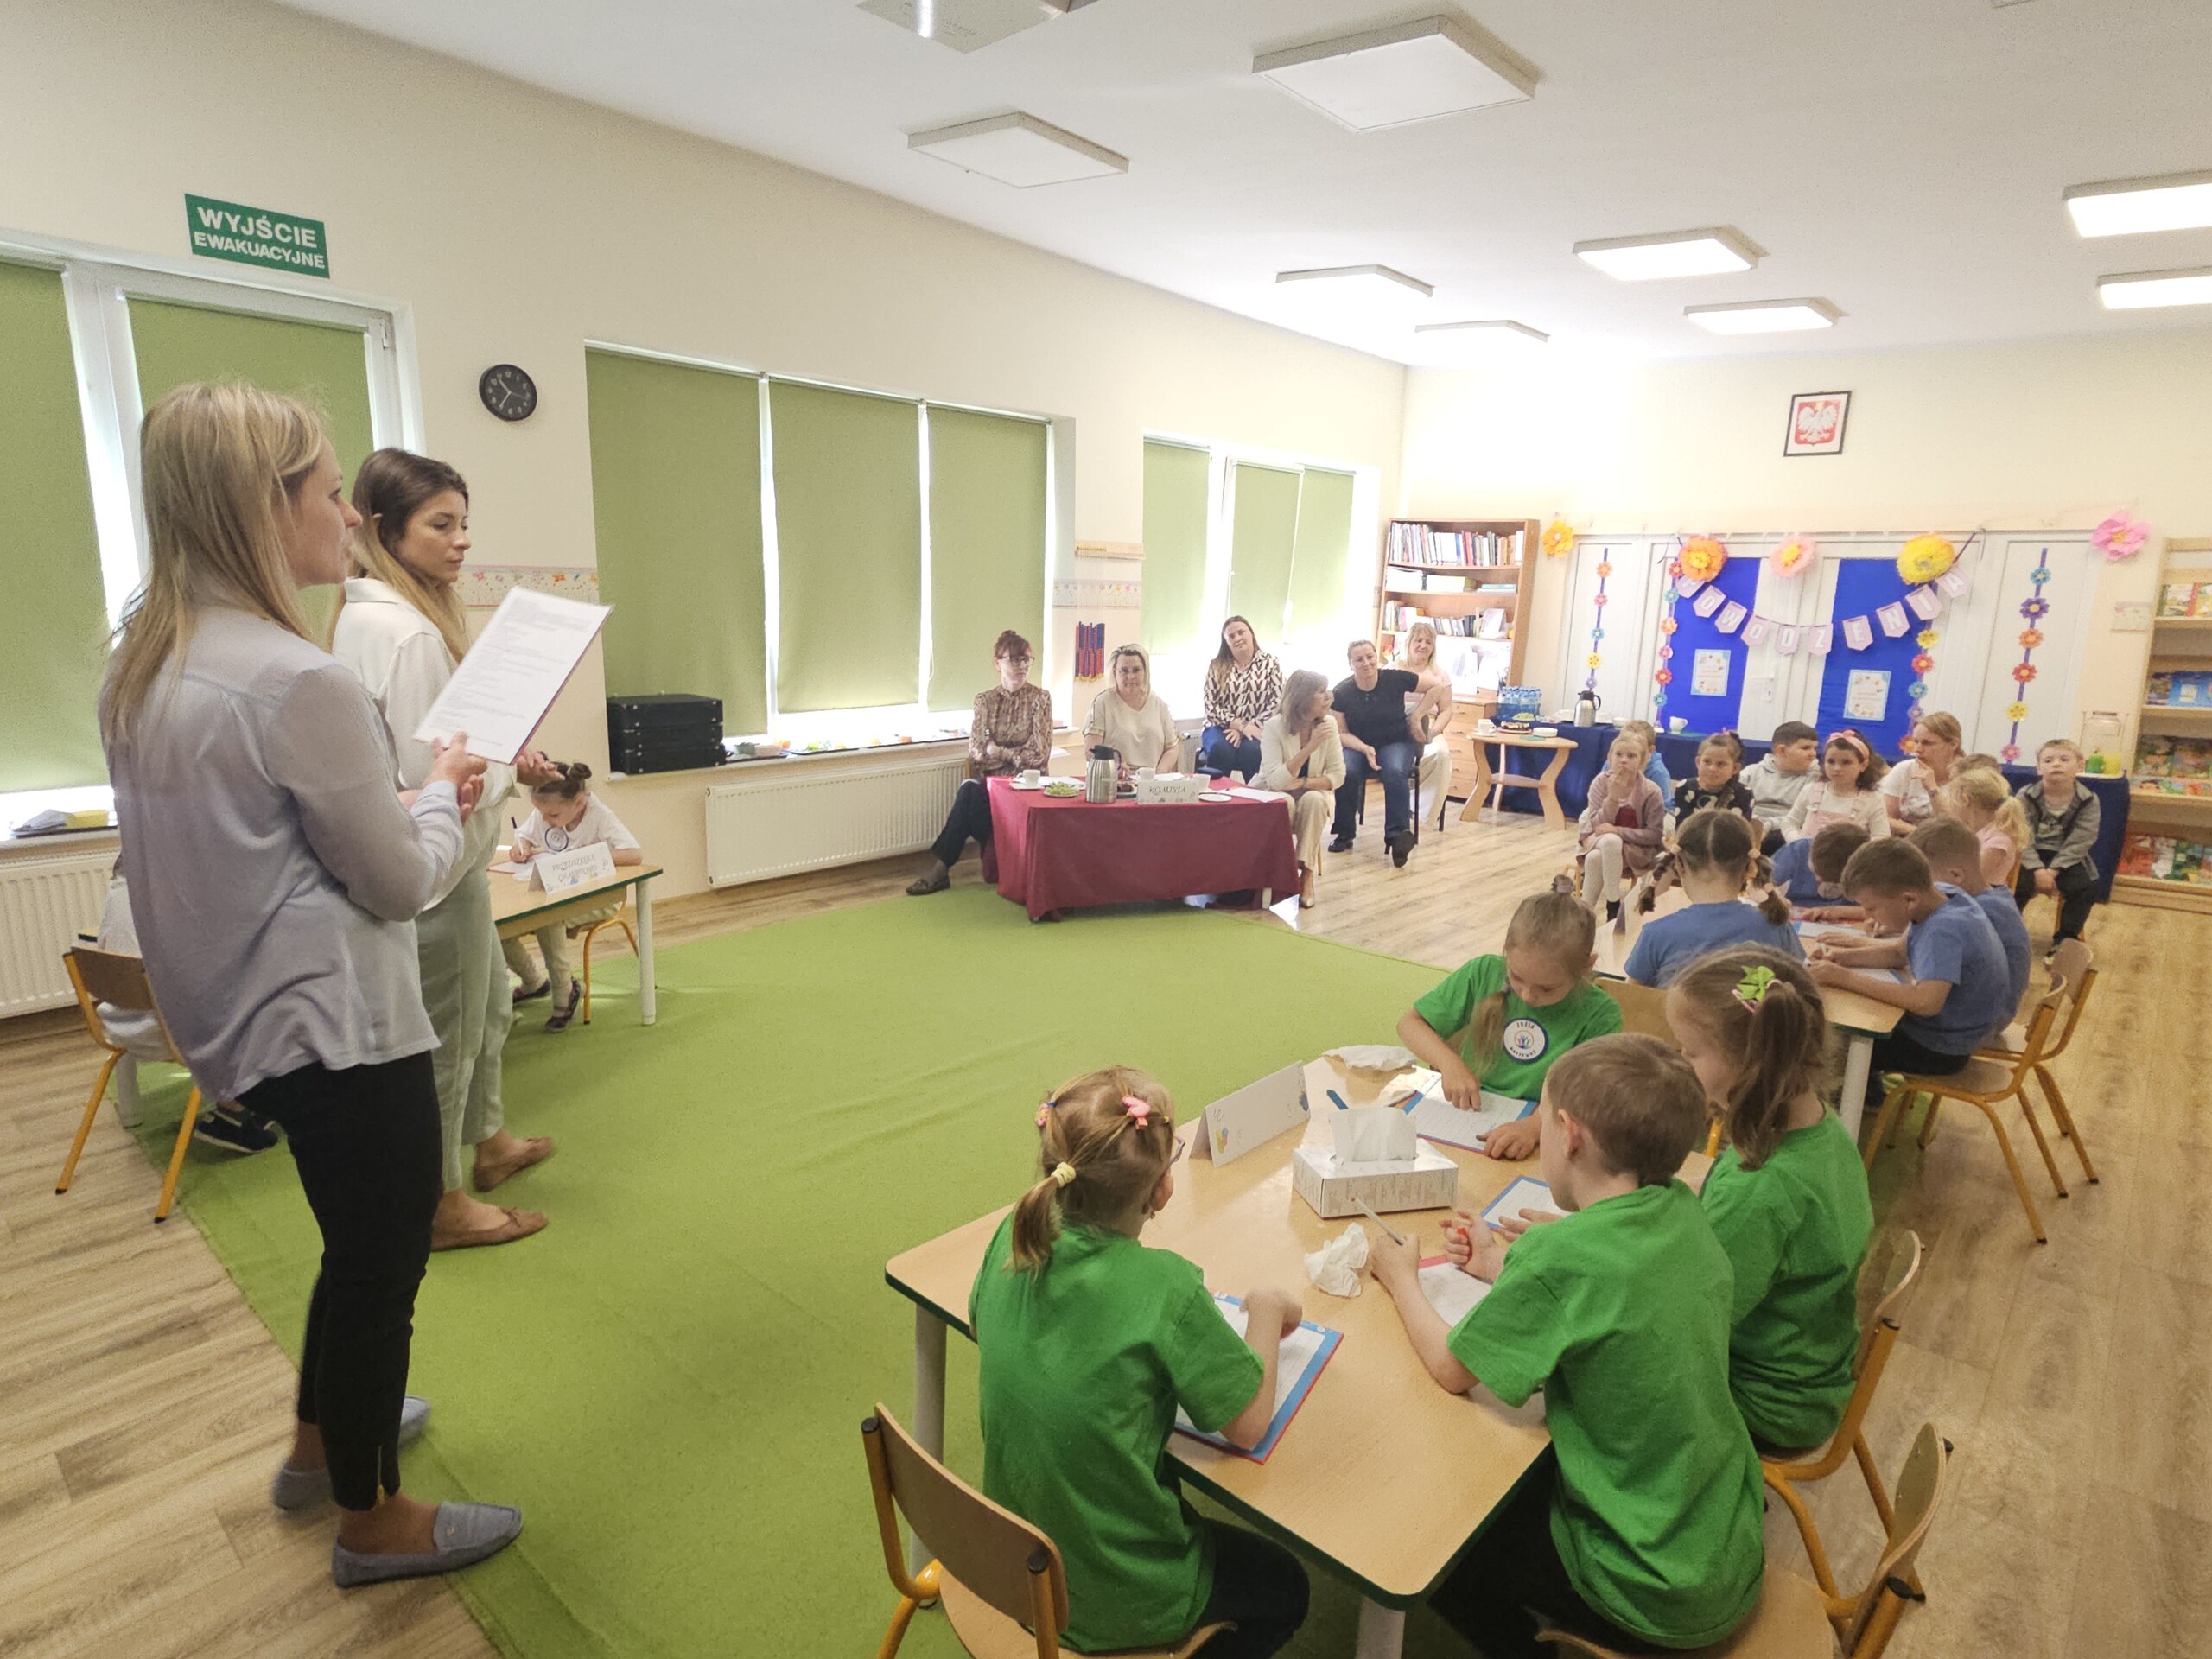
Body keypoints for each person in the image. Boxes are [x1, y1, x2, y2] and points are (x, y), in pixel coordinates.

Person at [99, 382, 520, 1585]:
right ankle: (372, 1519)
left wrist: (404, 800)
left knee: (352, 1246)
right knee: (382, 1268)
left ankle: (317, 1446)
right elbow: (398, 883)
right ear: (259, 506)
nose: (347, 515)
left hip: (240, 1019)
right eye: (330, 493)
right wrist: (441, 791)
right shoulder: (299, 679)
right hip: (339, 1024)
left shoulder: (148, 662)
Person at [1365, 1036, 1765, 1658]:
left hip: (1649, 1584)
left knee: (1444, 1559)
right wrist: (1500, 1266)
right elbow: (1610, 1292)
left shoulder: (1563, 1255)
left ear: (1569, 1135)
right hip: (1720, 1536)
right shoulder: (1681, 1211)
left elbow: (1450, 1367)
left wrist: (1401, 1280)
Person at [969, 1067, 1311, 1658]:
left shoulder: (1015, 1234)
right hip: (1114, 1595)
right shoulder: (1166, 1288)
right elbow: (1249, 1424)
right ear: (1162, 1190)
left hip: (1011, 1565)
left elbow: (981, 1324)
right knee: (1289, 1587)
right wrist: (1266, 1309)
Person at [331, 448, 557, 1250]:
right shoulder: (407, 635)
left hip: (440, 865)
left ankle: (490, 1142)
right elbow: (432, 780)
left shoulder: (367, 617)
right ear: (385, 529)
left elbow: (444, 753)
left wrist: (500, 755)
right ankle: (441, 1201)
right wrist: (505, 771)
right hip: (435, 868)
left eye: (464, 523)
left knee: (488, 1004)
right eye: (441, 525)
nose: (462, 541)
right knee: (450, 1035)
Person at [1668, 948, 1872, 1452]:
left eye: (1690, 1052)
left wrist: (1575, 1272)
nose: (1681, 1063)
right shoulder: (1820, 1127)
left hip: (1764, 1403)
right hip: (1810, 1372)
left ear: (1748, 1063)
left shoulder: (1759, 1189)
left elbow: (1684, 1325)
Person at [1395, 891, 1623, 1161]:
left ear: (1587, 966)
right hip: (1466, 1116)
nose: (1527, 996)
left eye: (1547, 989)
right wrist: (1449, 1063)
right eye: (1516, 977)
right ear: (1506, 951)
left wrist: (1535, 1127)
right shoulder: (1483, 972)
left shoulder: (1601, 1013)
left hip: (1545, 1130)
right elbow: (1410, 1024)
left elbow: (1589, 1097)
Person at [92, 866, 278, 1152]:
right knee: (266, 1003)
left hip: (119, 1025)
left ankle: (254, 1099)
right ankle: (234, 1112)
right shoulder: (155, 902)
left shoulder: (116, 899)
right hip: (166, 1034)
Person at [1806, 839, 2012, 1095]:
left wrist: (1845, 978)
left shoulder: (1943, 930)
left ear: (1909, 900)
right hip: (1946, 1034)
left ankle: (1857, 1105)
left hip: (1941, 1049)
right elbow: (1896, 954)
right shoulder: (1942, 894)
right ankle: (1867, 1095)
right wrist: (1841, 958)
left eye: (1872, 908)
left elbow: (1926, 1002)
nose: (1869, 917)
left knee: (1830, 1047)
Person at [907, 629, 1052, 896]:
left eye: (1026, 660)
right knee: (969, 791)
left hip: (1027, 791)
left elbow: (1039, 754)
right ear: (998, 663)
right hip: (994, 791)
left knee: (968, 793)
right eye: (1014, 659)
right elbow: (976, 751)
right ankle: (942, 870)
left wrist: (998, 750)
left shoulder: (1040, 699)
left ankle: (940, 870)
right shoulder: (985, 701)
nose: (1021, 666)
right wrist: (1013, 754)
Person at [502, 762, 641, 1030]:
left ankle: (565, 992)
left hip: (598, 898)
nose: (545, 820)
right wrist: (521, 848)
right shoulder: (547, 811)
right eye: (541, 813)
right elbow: (525, 837)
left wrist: (578, 857)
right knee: (500, 924)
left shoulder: (599, 815)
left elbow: (634, 854)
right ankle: (533, 982)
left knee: (548, 918)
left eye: (552, 815)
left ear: (579, 802)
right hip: (553, 892)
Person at [1623, 810, 1802, 988]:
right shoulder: (1777, 925)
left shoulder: (1656, 934)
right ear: (1750, 868)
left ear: (1679, 865)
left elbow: (1630, 998)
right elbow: (1801, 986)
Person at [1910, 817, 2031, 1024]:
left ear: (1956, 875)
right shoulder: (1993, 897)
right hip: (1982, 1014)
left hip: (1972, 1024)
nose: (1919, 886)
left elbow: (1928, 998)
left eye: (1924, 878)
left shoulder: (1973, 913)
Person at [1329, 639, 1433, 867]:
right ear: (1351, 664)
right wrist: (1364, 748)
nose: (1366, 663)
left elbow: (1436, 687)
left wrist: (1416, 717)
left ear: (1376, 657)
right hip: (1358, 744)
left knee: (1394, 771)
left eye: (1370, 657)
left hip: (1395, 742)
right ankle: (1344, 833)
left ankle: (1398, 838)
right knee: (1347, 771)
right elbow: (1342, 733)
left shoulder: (1394, 678)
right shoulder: (1342, 691)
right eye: (1359, 659)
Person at [1255, 669, 1344, 909]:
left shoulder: (1329, 724)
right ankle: (1277, 873)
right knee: (1285, 801)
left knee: (1313, 799)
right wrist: (1309, 747)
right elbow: (1276, 782)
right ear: (1303, 698)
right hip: (1274, 794)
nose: (1328, 697)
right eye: (1321, 692)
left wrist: (1305, 783)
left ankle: (1305, 873)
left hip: (1311, 793)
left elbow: (1338, 776)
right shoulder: (1274, 727)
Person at [2012, 738, 2101, 951]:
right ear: (2038, 768)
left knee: (2085, 888)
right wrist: (2036, 869)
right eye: (2048, 760)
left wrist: (2053, 870)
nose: (2056, 764)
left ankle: (2065, 939)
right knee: (2017, 886)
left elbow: (2082, 839)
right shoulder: (2025, 795)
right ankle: (2010, 934)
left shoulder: (2088, 800)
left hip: (2065, 858)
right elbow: (2020, 833)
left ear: (2080, 765)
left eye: (2064, 759)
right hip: (2029, 855)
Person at [1575, 734, 1665, 916]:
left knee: (1595, 858)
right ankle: (1613, 904)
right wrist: (1613, 799)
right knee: (1610, 841)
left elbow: (1654, 835)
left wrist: (1618, 831)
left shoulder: (1651, 791)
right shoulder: (1600, 782)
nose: (1624, 760)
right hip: (1600, 841)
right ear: (1610, 757)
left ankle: (1584, 915)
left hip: (1636, 849)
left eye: (1631, 756)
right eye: (1619, 755)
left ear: (1642, 761)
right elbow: (1597, 825)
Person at [1198, 616, 1281, 781]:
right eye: (1231, 636)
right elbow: (1211, 706)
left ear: (1251, 634)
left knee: (1253, 751)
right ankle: (1214, 795)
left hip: (1258, 727)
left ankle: (1254, 795)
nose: (1237, 638)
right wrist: (1240, 725)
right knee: (1221, 749)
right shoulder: (1216, 665)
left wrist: (1249, 727)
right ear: (1226, 642)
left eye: (1241, 632)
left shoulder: (1270, 663)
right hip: (1219, 727)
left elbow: (1278, 701)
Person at [1780, 729, 1891, 843]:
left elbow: (1881, 836)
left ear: (1863, 765)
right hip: (1806, 853)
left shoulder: (1873, 799)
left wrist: (1861, 851)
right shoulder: (1811, 790)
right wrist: (1797, 842)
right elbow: (1790, 822)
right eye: (1831, 761)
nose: (1837, 768)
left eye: (1846, 762)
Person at [1084, 644, 1179, 778]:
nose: (1130, 676)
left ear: (1145, 672)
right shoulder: (1102, 703)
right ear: (1114, 673)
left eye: (1136, 670)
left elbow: (1172, 748)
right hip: (1114, 781)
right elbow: (1091, 751)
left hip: (1152, 782)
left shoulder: (1160, 706)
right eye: (1124, 671)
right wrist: (1114, 769)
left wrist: (1159, 773)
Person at [1402, 619, 1457, 829]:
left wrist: (1434, 731)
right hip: (1399, 726)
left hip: (1429, 727)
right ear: (1409, 643)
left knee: (1441, 755)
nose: (1423, 646)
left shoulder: (1440, 675)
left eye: (1428, 642)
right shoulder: (1394, 669)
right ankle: (1402, 797)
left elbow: (1446, 710)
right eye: (1418, 641)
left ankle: (1423, 814)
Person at [1941, 763, 2029, 889]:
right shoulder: (1974, 832)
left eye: (1951, 800)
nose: (1950, 805)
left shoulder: (1998, 841)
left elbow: (1971, 881)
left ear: (1965, 800)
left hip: (1981, 898)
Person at [1742, 721, 1821, 853]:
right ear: (1781, 750)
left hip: (1784, 830)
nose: (1813, 754)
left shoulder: (1815, 779)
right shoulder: (1752, 772)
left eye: (1814, 748)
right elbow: (1739, 804)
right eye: (1806, 748)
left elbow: (1801, 817)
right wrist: (1756, 826)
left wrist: (1768, 826)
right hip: (1751, 825)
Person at [1769, 822, 1870, 921]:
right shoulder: (1798, 850)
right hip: (1797, 913)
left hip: (1844, 920)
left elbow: (1877, 910)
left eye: (1833, 880)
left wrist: (1840, 911)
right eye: (1814, 871)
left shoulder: (1866, 863)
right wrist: (1776, 897)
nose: (1818, 879)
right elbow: (1761, 882)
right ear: (1810, 852)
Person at [1881, 712, 1962, 830]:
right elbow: (1886, 818)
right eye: (1916, 742)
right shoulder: (1904, 769)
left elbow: (1957, 828)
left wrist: (1933, 790)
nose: (1918, 749)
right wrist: (1919, 834)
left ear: (1953, 744)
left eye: (1927, 743)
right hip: (1906, 838)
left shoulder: (1967, 777)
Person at [1670, 733, 1757, 828]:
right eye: (1707, 762)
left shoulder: (1744, 794)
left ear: (1735, 768)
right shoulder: (1685, 787)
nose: (1712, 769)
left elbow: (1741, 833)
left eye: (1720, 764)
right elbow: (1681, 830)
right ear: (1698, 762)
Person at [1620, 717, 1673, 798]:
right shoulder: (1612, 763)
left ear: (1650, 750)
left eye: (1632, 755)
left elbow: (1665, 804)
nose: (1624, 759)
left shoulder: (1658, 772)